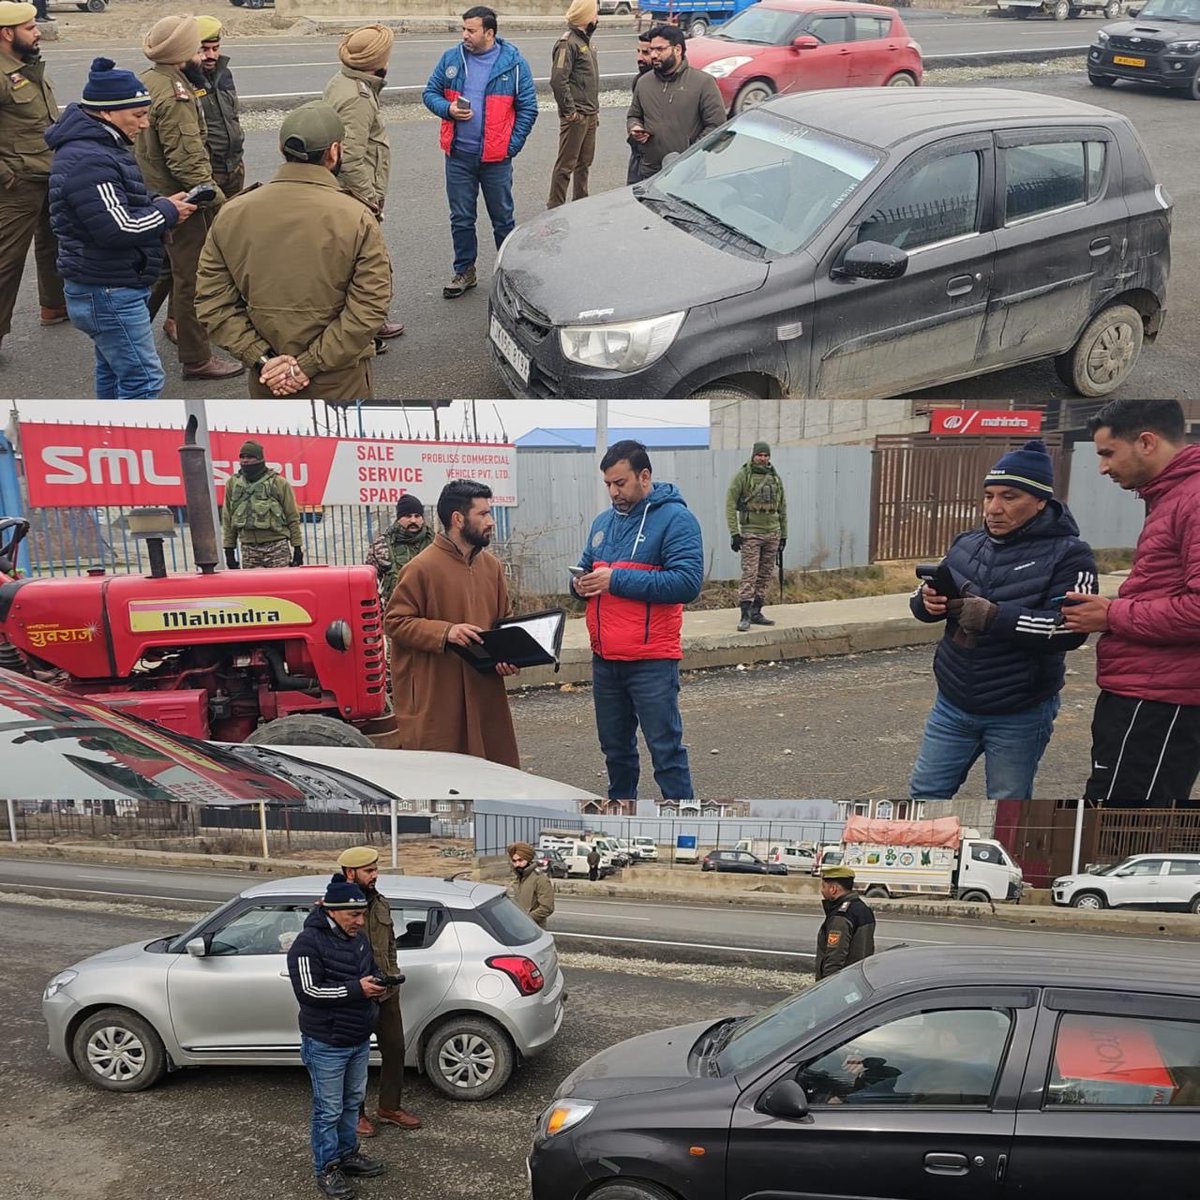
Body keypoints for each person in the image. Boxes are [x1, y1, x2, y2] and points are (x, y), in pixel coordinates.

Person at [909, 439, 1098, 802]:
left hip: (1019, 711)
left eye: (1010, 497)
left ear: (1040, 501)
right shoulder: (966, 543)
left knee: (1007, 805)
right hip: (952, 703)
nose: (994, 508)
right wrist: (925, 603)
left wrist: (996, 617)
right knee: (925, 794)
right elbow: (924, 599)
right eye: (989, 496)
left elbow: (1070, 630)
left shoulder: (1071, 555)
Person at [195, 100, 393, 400]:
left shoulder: (232, 213)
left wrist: (262, 359)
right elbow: (369, 306)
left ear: (281, 148)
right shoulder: (356, 216)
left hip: (267, 378)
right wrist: (306, 365)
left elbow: (212, 303)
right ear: (334, 151)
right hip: (339, 378)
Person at [1063, 399, 1200, 804]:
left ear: (1146, 442)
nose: (1102, 467)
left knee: (1127, 815)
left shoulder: (1193, 499)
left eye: (1108, 453)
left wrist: (1112, 615)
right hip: (1146, 691)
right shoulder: (1172, 496)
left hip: (1160, 702)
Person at [46, 58, 195, 399]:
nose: (145, 124)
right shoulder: (91, 159)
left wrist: (160, 203)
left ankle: (110, 428)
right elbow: (119, 227)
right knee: (144, 380)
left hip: (103, 284)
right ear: (107, 113)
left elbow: (121, 200)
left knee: (114, 372)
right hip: (108, 290)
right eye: (138, 115)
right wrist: (167, 212)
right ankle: (129, 433)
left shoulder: (100, 148)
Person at [572, 440, 703, 801]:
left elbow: (687, 583)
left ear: (644, 476)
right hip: (605, 660)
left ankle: (684, 822)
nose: (614, 492)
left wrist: (615, 580)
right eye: (608, 484)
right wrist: (578, 584)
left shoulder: (677, 520)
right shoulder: (603, 523)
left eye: (620, 483)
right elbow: (585, 569)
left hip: (652, 661)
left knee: (666, 753)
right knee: (615, 752)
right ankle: (620, 818)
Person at [383, 479, 521, 766]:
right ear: (458, 519)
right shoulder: (421, 568)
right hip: (439, 694)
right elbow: (395, 622)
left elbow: (503, 622)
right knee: (444, 776)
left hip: (484, 691)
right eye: (483, 514)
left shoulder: (492, 567)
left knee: (493, 776)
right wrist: (446, 632)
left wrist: (510, 656)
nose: (491, 522)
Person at [136, 13, 241, 382]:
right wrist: (221, 204)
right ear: (183, 54)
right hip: (182, 200)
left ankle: (129, 335)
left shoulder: (149, 80)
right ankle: (197, 358)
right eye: (198, 50)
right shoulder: (177, 93)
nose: (204, 56)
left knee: (164, 271)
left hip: (154, 193)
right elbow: (188, 162)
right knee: (194, 277)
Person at [422, 6, 538, 299]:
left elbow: (528, 108)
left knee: (503, 219)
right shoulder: (451, 59)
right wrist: (447, 109)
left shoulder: (514, 64)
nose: (465, 35)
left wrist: (510, 146)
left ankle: (509, 274)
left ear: (489, 33)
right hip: (459, 157)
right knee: (461, 218)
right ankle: (465, 271)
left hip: (496, 160)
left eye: (471, 30)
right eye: (463, 29)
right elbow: (430, 93)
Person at [286, 874, 387, 1200]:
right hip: (326, 1042)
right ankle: (327, 1168)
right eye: (353, 915)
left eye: (362, 914)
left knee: (352, 1103)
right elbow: (309, 991)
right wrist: (358, 989)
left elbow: (368, 970)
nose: (360, 921)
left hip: (358, 1037)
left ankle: (347, 1155)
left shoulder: (358, 938)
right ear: (331, 911)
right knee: (328, 1110)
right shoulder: (307, 944)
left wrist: (378, 983)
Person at [323, 24, 405, 342]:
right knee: (366, 266)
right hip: (355, 195)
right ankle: (365, 331)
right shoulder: (357, 97)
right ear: (378, 61)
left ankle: (366, 325)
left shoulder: (344, 81)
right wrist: (370, 199)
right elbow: (351, 158)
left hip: (346, 192)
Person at [336, 846, 421, 1138]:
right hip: (356, 994)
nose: (375, 875)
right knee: (355, 1055)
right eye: (368, 871)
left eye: (375, 869)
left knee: (395, 1049)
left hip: (386, 991)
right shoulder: (337, 905)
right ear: (350, 873)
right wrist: (352, 986)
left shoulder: (381, 902)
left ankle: (389, 1107)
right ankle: (355, 1113)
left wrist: (392, 974)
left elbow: (390, 943)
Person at [0, 1, 66, 353]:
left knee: (53, 243)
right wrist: (6, 176)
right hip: (17, 182)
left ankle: (54, 305)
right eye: (29, 28)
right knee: (7, 262)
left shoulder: (26, 66)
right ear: (7, 34)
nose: (37, 32)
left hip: (46, 171)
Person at [626, 24, 724, 181]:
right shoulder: (643, 82)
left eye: (660, 49)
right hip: (648, 171)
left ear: (677, 49)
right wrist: (635, 127)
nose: (653, 55)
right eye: (651, 50)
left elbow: (716, 127)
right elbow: (634, 115)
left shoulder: (703, 83)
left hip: (688, 173)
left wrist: (690, 155)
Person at [727, 441, 787, 632]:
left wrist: (784, 535)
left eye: (766, 455)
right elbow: (730, 504)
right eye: (759, 455)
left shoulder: (775, 477)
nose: (763, 458)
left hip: (773, 532)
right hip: (751, 533)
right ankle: (744, 615)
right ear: (753, 456)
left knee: (765, 575)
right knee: (750, 574)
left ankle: (756, 611)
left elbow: (782, 507)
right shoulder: (743, 475)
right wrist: (734, 533)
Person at [547, 0, 599, 208]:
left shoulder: (587, 42)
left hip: (590, 114)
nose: (597, 18)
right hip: (577, 116)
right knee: (566, 166)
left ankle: (580, 204)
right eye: (594, 14)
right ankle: (555, 207)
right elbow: (558, 80)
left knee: (584, 163)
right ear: (586, 16)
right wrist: (570, 112)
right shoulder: (568, 44)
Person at [221, 440, 304, 570]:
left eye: (250, 457)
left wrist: (297, 548)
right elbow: (228, 518)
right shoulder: (233, 484)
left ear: (260, 458)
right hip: (248, 549)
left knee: (281, 582)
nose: (245, 461)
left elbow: (292, 517)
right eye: (242, 457)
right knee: (253, 583)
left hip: (277, 546)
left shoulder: (278, 482)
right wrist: (229, 549)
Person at [366, 494, 434, 608]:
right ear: (398, 518)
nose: (413, 520)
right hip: (397, 611)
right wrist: (381, 611)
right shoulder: (382, 546)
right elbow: (369, 584)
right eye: (408, 516)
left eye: (417, 516)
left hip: (430, 611)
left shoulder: (435, 543)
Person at [814, 866, 875, 980]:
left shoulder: (841, 917)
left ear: (833, 889)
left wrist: (827, 985)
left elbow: (835, 958)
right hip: (860, 978)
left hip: (843, 981)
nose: (822, 891)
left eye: (824, 886)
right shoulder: (863, 909)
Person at [625, 31, 653, 186]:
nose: (639, 58)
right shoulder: (639, 81)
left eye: (645, 53)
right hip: (639, 154)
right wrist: (635, 126)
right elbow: (634, 114)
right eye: (638, 52)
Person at [507, 841, 555, 925]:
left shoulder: (540, 879)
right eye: (514, 861)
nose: (517, 864)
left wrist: (526, 918)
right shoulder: (517, 878)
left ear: (528, 860)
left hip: (532, 928)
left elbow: (547, 908)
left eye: (520, 860)